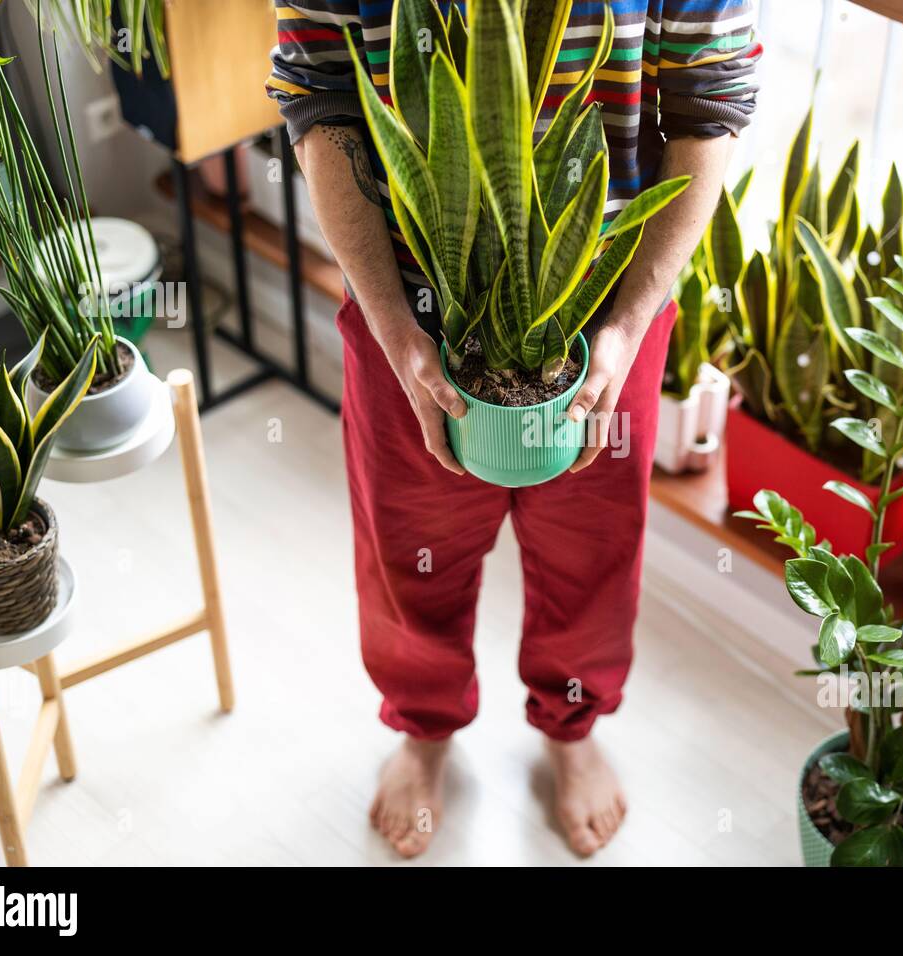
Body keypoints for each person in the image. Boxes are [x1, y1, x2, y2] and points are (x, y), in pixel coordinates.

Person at [267, 0, 759, 858]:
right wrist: (394, 326)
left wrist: (630, 319)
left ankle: (571, 731)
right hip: (408, 308)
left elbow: (708, 101)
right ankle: (423, 732)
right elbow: (320, 96)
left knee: (591, 548)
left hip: (606, 305)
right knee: (409, 548)